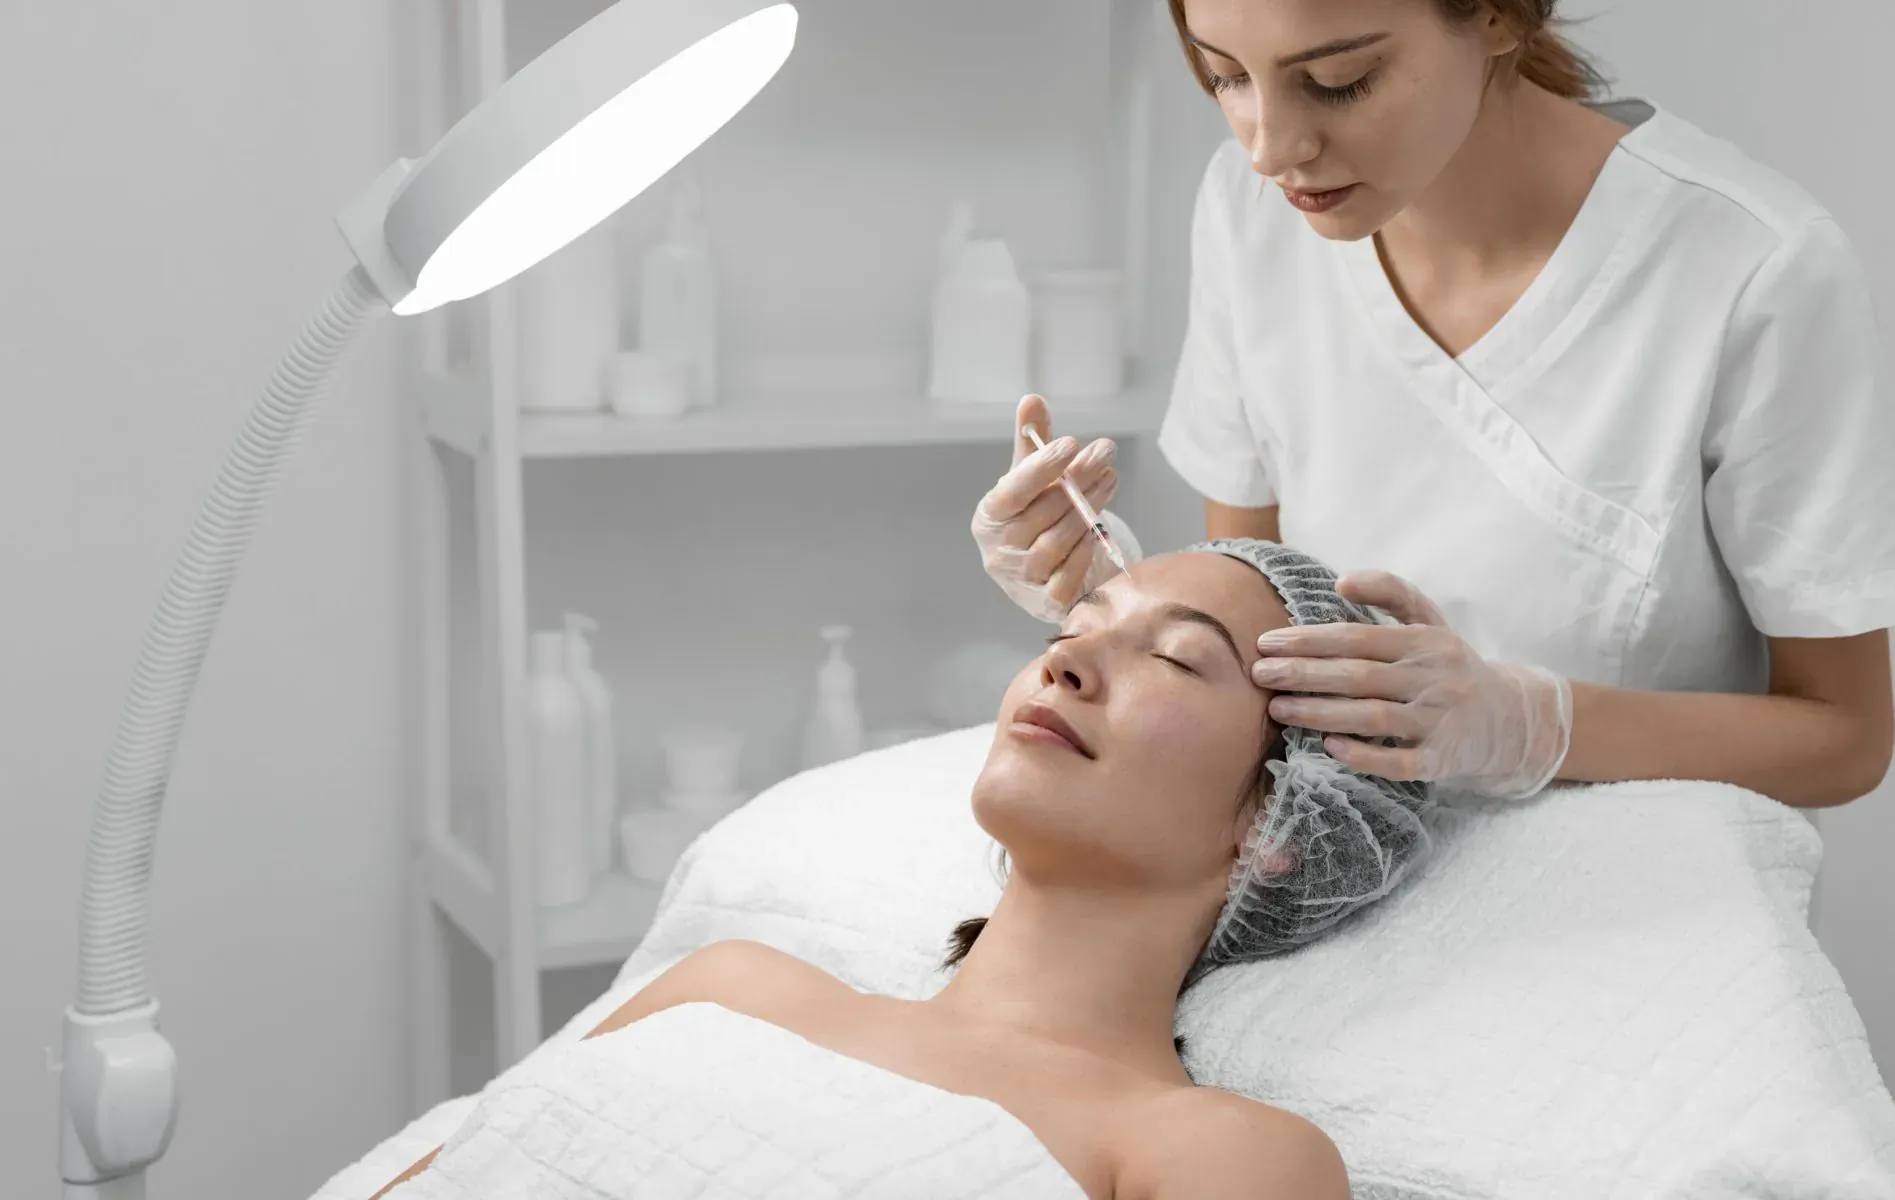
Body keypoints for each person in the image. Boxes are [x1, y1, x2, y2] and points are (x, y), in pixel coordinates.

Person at [973, 0, 1895, 810]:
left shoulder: (1752, 268)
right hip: (1354, 887)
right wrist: (1112, 597)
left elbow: (1845, 740)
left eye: (1337, 80)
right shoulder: (1252, 214)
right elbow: (1268, 620)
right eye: (1225, 77)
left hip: (1646, 907)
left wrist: (1537, 727)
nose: (1269, 148)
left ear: (1497, 14)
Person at [370, 542, 1434, 1200]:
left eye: (1172, 656)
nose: (1063, 659)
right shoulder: (730, 986)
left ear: (1277, 819)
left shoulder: (1212, 1155)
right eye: (1074, 628)